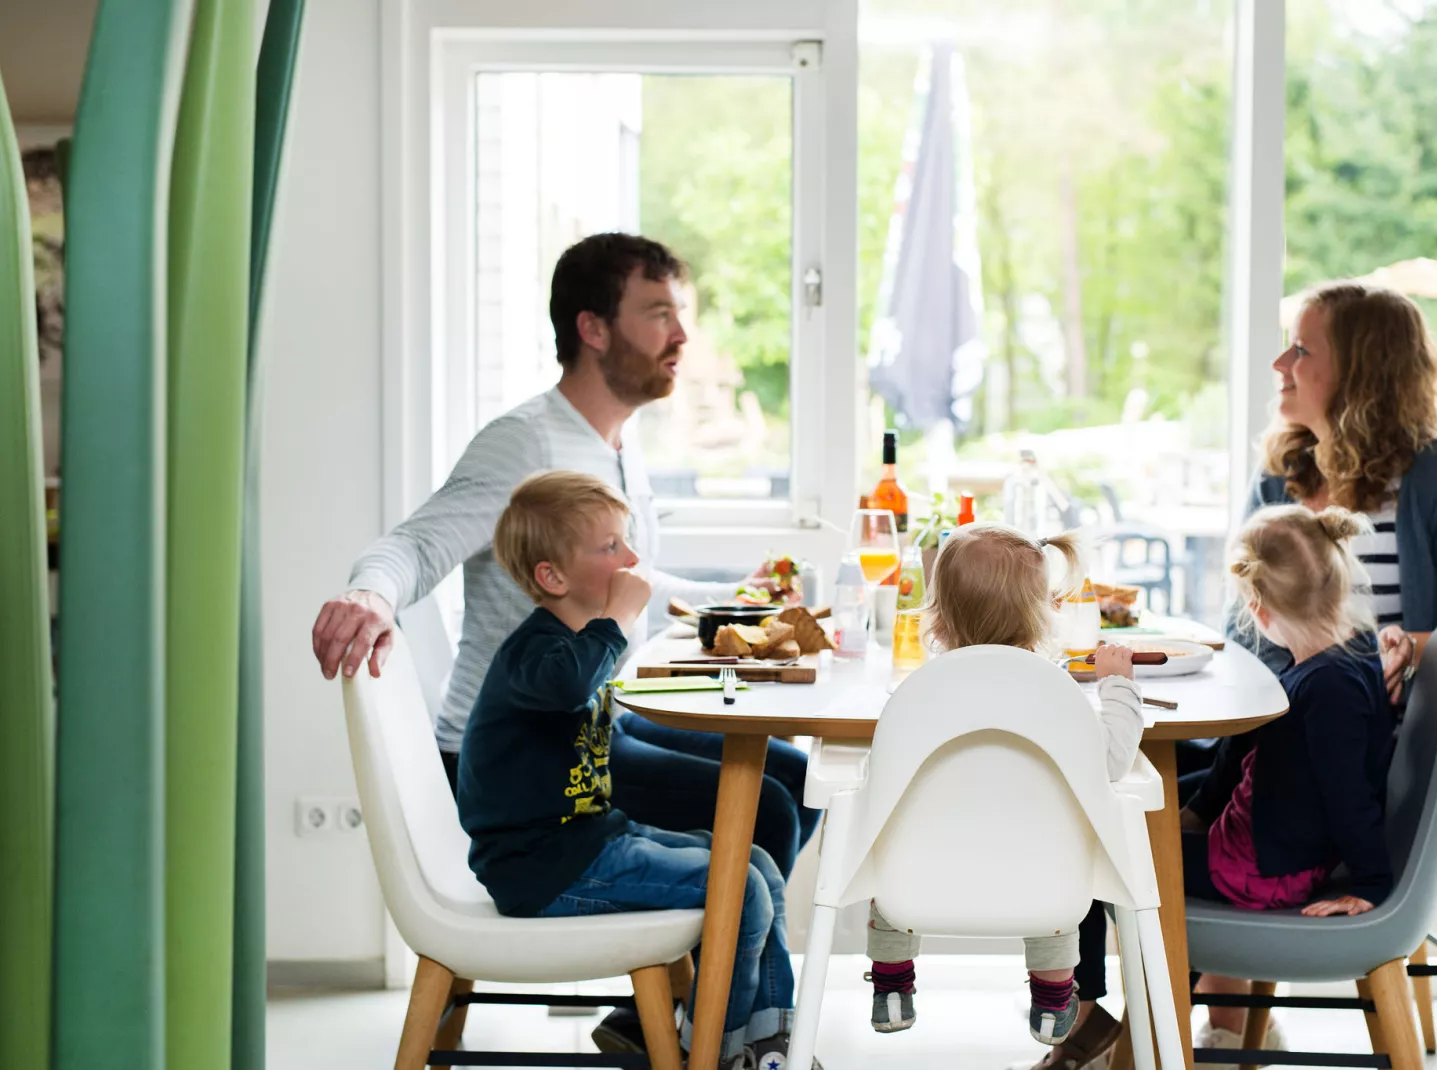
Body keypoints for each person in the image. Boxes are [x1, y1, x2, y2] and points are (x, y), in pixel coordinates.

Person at [309, 233, 820, 1053]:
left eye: (677, 314)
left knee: (793, 773)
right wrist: (367, 593)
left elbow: (633, 581)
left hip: (590, 715)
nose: (680, 337)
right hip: (531, 751)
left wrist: (742, 605)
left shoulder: (616, 448)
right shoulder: (528, 444)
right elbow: (417, 543)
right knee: (764, 801)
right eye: (657, 314)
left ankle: (690, 1002)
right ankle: (708, 1017)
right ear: (593, 328)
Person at [1044, 283, 1437, 1067]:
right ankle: (1179, 1024)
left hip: (1381, 760)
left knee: (1150, 815)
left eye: (1303, 349)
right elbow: (1246, 623)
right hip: (1286, 728)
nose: (1281, 363)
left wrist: (1415, 643)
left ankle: (1168, 1030)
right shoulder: (1281, 477)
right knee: (1145, 780)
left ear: (1365, 371)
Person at [458, 471, 812, 1070]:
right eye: (611, 548)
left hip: (592, 840)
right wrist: (618, 618)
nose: (631, 560)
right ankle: (711, 1050)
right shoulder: (536, 651)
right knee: (742, 891)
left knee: (755, 863)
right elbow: (570, 684)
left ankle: (768, 1043)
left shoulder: (577, 640)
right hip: (544, 868)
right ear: (553, 577)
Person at [861, 524, 1145, 1047]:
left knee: (885, 849)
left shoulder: (920, 695)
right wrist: (1119, 686)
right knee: (1061, 861)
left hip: (921, 874)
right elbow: (1112, 761)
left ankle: (892, 984)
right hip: (1038, 876)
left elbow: (878, 780)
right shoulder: (1055, 695)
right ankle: (1054, 992)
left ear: (938, 620)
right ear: (1042, 619)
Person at [1179, 504, 1396, 1046]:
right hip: (1267, 850)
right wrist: (1199, 810)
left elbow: (1351, 794)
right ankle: (1178, 1023)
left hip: (1264, 870)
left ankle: (1148, 1032)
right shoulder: (1346, 655)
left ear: (1256, 607)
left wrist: (1371, 883)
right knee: (1145, 827)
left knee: (1132, 859)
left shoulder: (1328, 689)